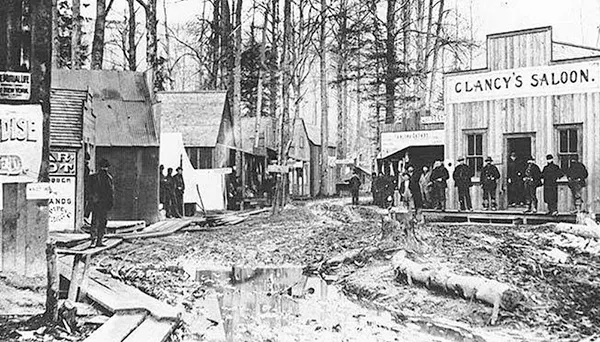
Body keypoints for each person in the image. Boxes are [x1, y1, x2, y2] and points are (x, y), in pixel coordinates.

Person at [89, 159, 114, 247]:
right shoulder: (106, 178)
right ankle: (96, 240)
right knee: (98, 221)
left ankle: (96, 240)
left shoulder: (97, 177)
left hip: (101, 203)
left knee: (98, 221)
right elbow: (111, 192)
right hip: (99, 203)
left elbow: (111, 192)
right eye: (104, 167)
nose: (104, 169)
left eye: (105, 167)